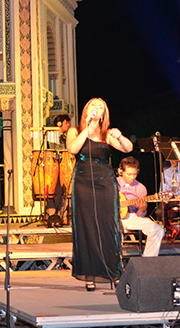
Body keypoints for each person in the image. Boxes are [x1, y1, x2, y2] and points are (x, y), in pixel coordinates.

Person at [66, 98, 133, 291]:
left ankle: (113, 271)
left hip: (105, 182)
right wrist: (87, 127)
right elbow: (72, 149)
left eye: (100, 107)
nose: (96, 109)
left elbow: (128, 148)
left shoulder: (106, 134)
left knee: (108, 225)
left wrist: (119, 137)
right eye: (93, 105)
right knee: (86, 227)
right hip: (83, 182)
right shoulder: (75, 131)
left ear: (104, 113)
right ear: (86, 109)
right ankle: (90, 274)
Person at [117, 157, 165, 258]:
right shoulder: (112, 184)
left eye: (134, 174)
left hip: (131, 218)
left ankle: (148, 262)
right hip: (111, 218)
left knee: (158, 229)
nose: (132, 177)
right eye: (129, 174)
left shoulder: (141, 188)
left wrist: (142, 210)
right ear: (121, 172)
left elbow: (140, 215)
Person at [46, 113, 72, 224]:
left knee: (64, 191)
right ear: (60, 123)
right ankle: (51, 215)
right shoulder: (52, 134)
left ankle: (62, 215)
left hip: (64, 167)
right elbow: (53, 148)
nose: (69, 125)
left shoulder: (67, 136)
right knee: (54, 190)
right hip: (54, 166)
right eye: (66, 123)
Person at [158, 160, 180, 238]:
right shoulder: (165, 173)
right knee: (159, 211)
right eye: (172, 160)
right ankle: (171, 230)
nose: (174, 162)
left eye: (175, 160)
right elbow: (162, 189)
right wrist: (164, 197)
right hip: (170, 198)